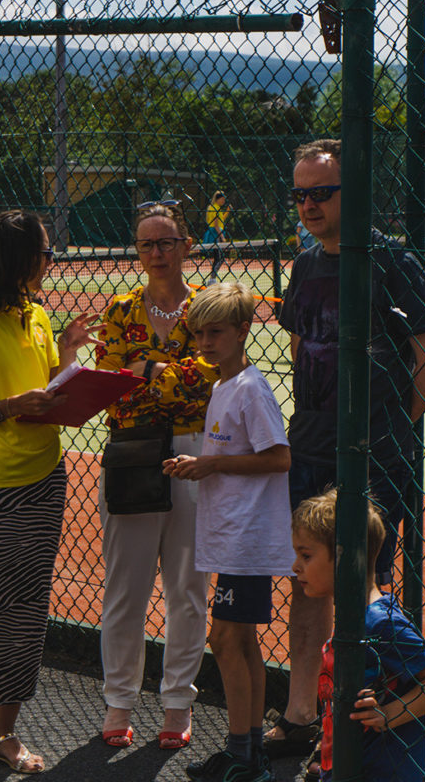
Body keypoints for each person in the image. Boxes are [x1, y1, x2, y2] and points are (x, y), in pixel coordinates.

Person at [264, 138, 425, 760]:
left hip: (375, 454)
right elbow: (299, 351)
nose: (309, 205)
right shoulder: (305, 264)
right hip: (314, 442)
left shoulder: (391, 262)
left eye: (322, 192)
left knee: (361, 585)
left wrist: (387, 426)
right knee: (308, 575)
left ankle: (361, 717)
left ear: (355, 193)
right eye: (300, 194)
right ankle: (300, 714)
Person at [0, 210, 99, 782]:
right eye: (45, 253)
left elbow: (49, 387)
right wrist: (8, 407)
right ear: (16, 260)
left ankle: (1, 736)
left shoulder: (38, 316)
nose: (51, 262)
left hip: (46, 476)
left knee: (28, 612)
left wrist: (70, 355)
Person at [94, 200, 219, 750]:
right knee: (126, 589)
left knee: (188, 590)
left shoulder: (207, 308)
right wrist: (171, 373)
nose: (156, 252)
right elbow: (108, 379)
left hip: (196, 451)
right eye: (146, 243)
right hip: (134, 451)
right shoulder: (119, 309)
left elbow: (212, 378)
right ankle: (119, 701)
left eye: (166, 241)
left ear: (186, 246)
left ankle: (177, 704)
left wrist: (145, 371)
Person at [164, 282, 293, 782]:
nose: (203, 343)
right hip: (231, 533)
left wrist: (210, 465)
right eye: (198, 334)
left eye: (215, 333)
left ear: (243, 331)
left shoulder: (251, 388)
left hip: (249, 536)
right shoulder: (221, 384)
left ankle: (244, 754)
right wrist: (203, 465)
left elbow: (279, 458)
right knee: (240, 643)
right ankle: (249, 752)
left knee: (226, 638)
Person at [292, 489, 425, 781]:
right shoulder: (352, 616)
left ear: (344, 556)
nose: (296, 566)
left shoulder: (380, 623)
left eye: (306, 555)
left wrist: (388, 715)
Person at [203, 190, 232, 282]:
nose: (223, 201)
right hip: (216, 234)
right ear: (218, 199)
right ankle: (212, 279)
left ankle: (212, 278)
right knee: (219, 258)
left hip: (214, 233)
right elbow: (216, 225)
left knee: (217, 257)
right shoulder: (216, 208)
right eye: (222, 199)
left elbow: (221, 220)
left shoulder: (213, 207)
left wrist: (227, 211)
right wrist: (222, 236)